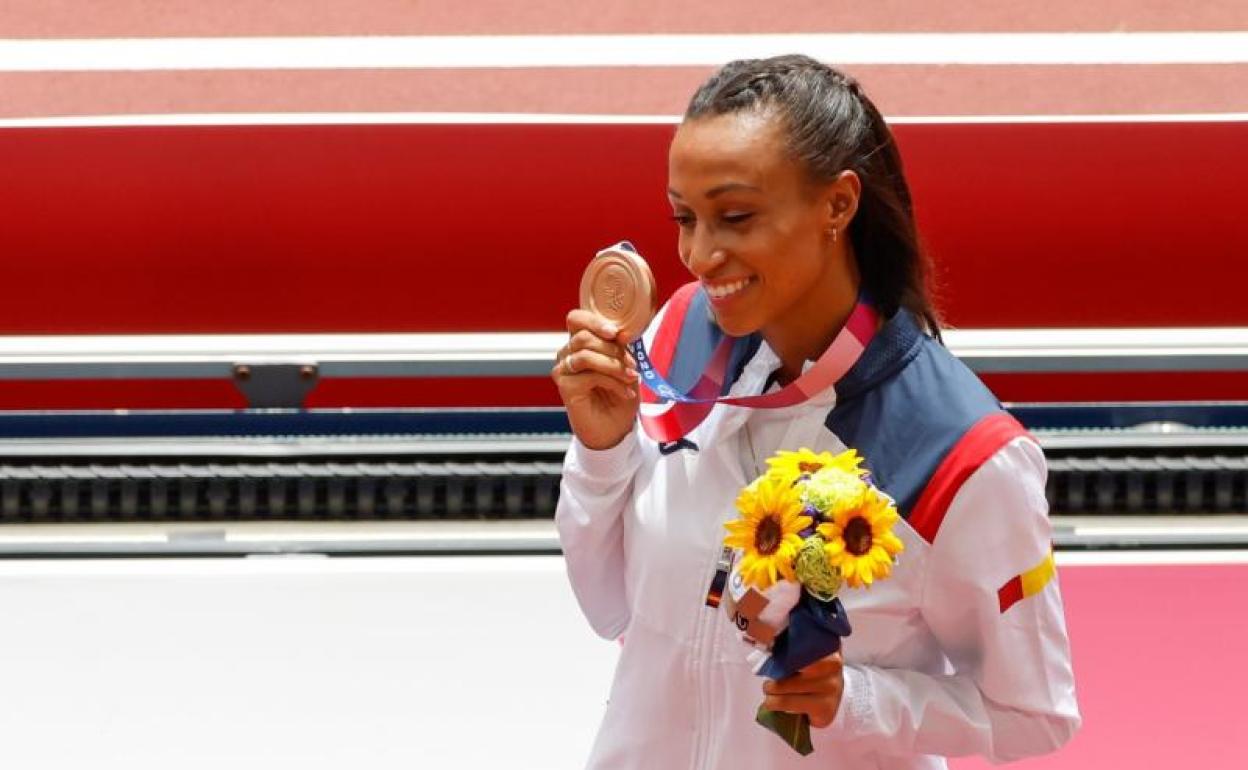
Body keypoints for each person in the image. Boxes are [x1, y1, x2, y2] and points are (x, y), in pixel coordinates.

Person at [552, 55, 1079, 769]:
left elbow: (1036, 714)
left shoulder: (962, 455)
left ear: (838, 204)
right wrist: (602, 452)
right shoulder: (674, 339)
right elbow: (611, 607)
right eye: (684, 217)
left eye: (734, 217)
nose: (700, 256)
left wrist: (858, 701)